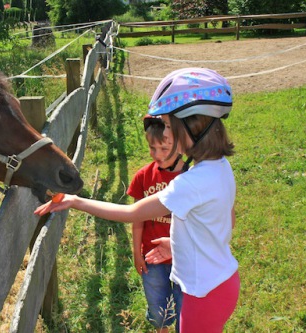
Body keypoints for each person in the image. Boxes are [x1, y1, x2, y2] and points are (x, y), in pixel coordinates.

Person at [35, 68, 240, 333]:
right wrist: (180, 245)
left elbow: (132, 213)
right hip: (221, 283)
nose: (165, 134)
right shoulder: (220, 167)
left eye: (168, 125)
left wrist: (76, 201)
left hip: (202, 293)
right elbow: (226, 221)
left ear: (191, 126)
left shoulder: (190, 183)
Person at [129, 114, 184, 332]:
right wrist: (137, 253)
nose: (157, 155)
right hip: (152, 257)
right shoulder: (143, 177)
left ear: (180, 144)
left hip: (183, 256)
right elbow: (136, 218)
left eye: (164, 148)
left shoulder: (191, 178)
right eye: (153, 148)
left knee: (184, 304)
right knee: (157, 303)